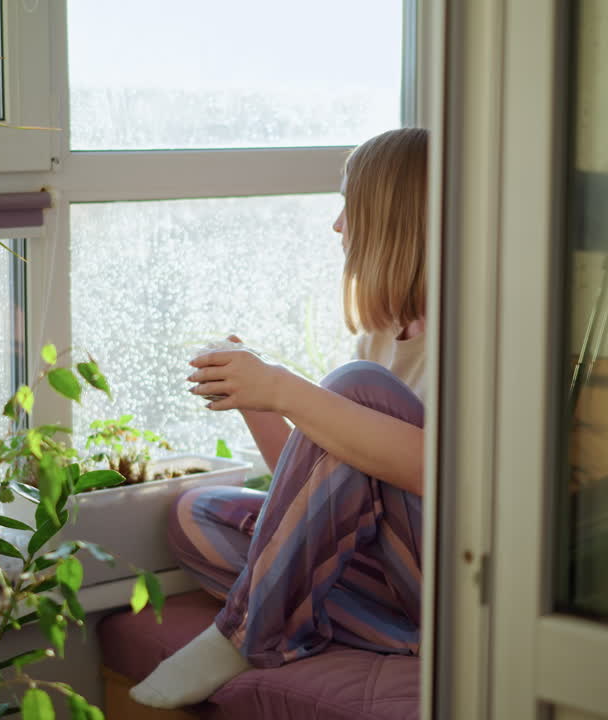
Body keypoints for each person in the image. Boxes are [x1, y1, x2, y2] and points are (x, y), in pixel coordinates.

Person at [129, 127, 429, 710]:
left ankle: (247, 631)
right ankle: (408, 638)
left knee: (354, 388)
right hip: (395, 586)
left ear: (396, 219)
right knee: (197, 517)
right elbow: (316, 497)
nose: (338, 225)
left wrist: (284, 388)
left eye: (351, 205)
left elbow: (435, 475)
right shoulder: (380, 336)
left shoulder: (471, 333)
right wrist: (255, 399)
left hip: (444, 570)